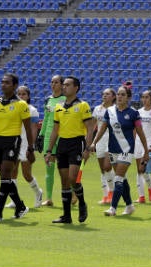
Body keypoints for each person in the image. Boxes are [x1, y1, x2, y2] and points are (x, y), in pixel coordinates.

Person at [89, 84, 148, 216]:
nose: (119, 97)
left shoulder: (133, 113)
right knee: (122, 179)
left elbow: (140, 132)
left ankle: (113, 208)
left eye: (123, 95)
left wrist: (146, 151)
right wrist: (94, 142)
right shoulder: (109, 111)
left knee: (118, 178)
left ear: (128, 97)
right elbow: (102, 128)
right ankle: (129, 205)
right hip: (113, 148)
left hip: (127, 149)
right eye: (118, 94)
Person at [0, 73, 33, 221]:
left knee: (5, 176)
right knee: (5, 179)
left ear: (15, 86)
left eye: (7, 83)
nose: (4, 85)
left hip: (12, 141)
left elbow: (28, 129)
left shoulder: (21, 105)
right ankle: (20, 206)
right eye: (2, 82)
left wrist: (30, 148)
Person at [44, 76, 94, 224]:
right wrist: (49, 150)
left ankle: (82, 203)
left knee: (73, 178)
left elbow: (90, 128)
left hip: (76, 143)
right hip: (62, 144)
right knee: (64, 181)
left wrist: (87, 147)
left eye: (67, 85)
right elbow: (55, 130)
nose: (64, 87)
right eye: (63, 85)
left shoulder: (83, 105)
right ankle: (66, 216)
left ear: (76, 88)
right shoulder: (59, 106)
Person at [4, 85, 43, 209]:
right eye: (19, 94)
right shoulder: (13, 108)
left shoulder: (32, 110)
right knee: (12, 172)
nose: (21, 96)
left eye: (23, 94)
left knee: (27, 174)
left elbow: (34, 130)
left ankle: (38, 193)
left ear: (28, 96)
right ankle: (14, 200)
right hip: (14, 143)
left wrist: (31, 147)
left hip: (26, 144)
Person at [37, 74, 65, 207]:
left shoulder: (66, 99)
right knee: (49, 168)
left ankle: (72, 195)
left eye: (56, 82)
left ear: (62, 84)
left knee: (64, 168)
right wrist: (41, 135)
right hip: (49, 136)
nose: (53, 84)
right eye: (52, 82)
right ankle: (49, 198)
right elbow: (46, 119)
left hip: (62, 136)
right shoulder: (47, 100)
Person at [91, 88, 116, 204]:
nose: (104, 96)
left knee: (107, 166)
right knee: (102, 170)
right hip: (99, 140)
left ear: (113, 97)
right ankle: (105, 195)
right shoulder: (97, 109)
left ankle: (112, 191)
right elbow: (92, 126)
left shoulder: (115, 110)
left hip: (111, 140)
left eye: (107, 94)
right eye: (103, 94)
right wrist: (91, 142)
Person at [135, 89, 151, 203]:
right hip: (138, 143)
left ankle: (150, 188)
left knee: (143, 168)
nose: (144, 99)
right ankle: (141, 196)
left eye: (147, 97)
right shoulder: (138, 112)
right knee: (139, 170)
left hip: (149, 143)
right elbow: (135, 128)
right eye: (143, 97)